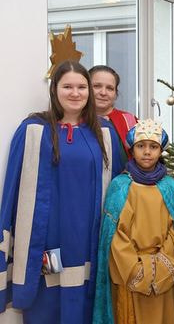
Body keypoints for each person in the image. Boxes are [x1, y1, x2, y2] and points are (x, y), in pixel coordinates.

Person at [0, 60, 123, 324]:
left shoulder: (104, 132)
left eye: (81, 87)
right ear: (55, 89)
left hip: (89, 243)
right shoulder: (33, 131)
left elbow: (119, 189)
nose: (75, 93)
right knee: (48, 301)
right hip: (47, 246)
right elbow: (12, 192)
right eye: (68, 86)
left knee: (85, 304)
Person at [93, 118, 174, 324]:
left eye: (153, 147)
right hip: (130, 276)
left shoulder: (171, 188)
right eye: (141, 146)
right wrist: (137, 271)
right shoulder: (120, 186)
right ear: (132, 150)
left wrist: (159, 270)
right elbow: (115, 237)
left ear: (160, 151)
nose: (147, 152)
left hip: (164, 280)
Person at [89, 65, 137, 160]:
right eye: (97, 86)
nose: (103, 92)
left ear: (115, 93)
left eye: (110, 88)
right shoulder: (75, 119)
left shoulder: (130, 121)